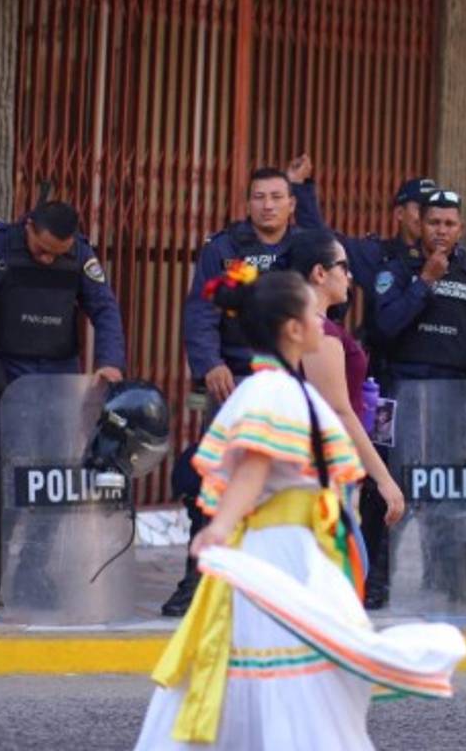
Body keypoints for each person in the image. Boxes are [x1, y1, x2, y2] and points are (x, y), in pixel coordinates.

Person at [133, 269, 465, 750]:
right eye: (312, 313)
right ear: (292, 329)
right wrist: (220, 527)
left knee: (297, 672)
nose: (321, 322)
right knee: (297, 674)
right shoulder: (276, 392)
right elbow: (254, 468)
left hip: (293, 549)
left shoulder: (282, 389)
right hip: (278, 554)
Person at [0, 200, 126, 607]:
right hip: (9, 371)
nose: (46, 259)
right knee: (14, 467)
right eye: (41, 249)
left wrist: (110, 363)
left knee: (57, 473)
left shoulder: (79, 254)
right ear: (28, 226)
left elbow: (105, 309)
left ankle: (32, 566)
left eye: (55, 254)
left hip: (59, 373)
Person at [163, 166, 302, 617]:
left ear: (291, 204)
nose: (267, 205)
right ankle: (198, 579)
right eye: (259, 197)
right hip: (233, 384)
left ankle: (277, 585)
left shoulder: (304, 248)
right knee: (215, 483)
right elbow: (202, 311)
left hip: (289, 386)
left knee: (285, 485)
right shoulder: (225, 251)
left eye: (277, 196)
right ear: (247, 204)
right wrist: (210, 365)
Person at [368, 188, 466, 608]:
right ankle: (378, 580)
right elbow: (385, 326)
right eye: (434, 222)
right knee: (390, 489)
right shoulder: (395, 268)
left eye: (449, 224)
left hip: (456, 397)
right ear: (419, 223)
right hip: (400, 393)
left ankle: (448, 574)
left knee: (449, 491)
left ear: (460, 229)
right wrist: (426, 282)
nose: (441, 231)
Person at [289, 155, 466, 332]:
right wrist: (298, 187)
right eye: (421, 208)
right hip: (391, 378)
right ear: (400, 214)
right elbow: (322, 240)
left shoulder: (460, 260)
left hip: (448, 383)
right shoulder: (376, 254)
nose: (431, 216)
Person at [287, 229, 407, 602]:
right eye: (343, 267)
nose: (350, 276)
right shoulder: (318, 332)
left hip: (321, 470)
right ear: (319, 274)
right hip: (319, 472)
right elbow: (337, 411)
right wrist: (384, 480)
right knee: (339, 577)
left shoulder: (311, 326)